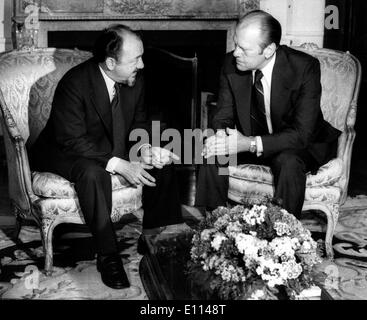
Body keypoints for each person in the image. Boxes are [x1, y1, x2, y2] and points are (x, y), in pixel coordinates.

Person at [29, 24, 184, 289]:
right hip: (63, 150)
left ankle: (154, 237)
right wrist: (120, 164)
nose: (142, 65)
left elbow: (139, 124)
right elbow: (72, 139)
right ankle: (108, 255)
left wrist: (145, 149)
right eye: (136, 59)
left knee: (162, 162)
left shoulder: (134, 80)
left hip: (106, 144)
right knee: (93, 173)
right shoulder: (75, 83)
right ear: (111, 62)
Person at [195, 10, 341, 218]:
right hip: (251, 140)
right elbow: (222, 117)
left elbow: (301, 134)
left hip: (298, 145)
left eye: (244, 49)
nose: (236, 52)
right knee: (212, 151)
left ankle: (283, 235)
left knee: (288, 161)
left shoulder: (304, 68)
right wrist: (220, 138)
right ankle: (215, 224)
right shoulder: (231, 63)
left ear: (269, 49)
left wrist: (249, 143)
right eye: (236, 44)